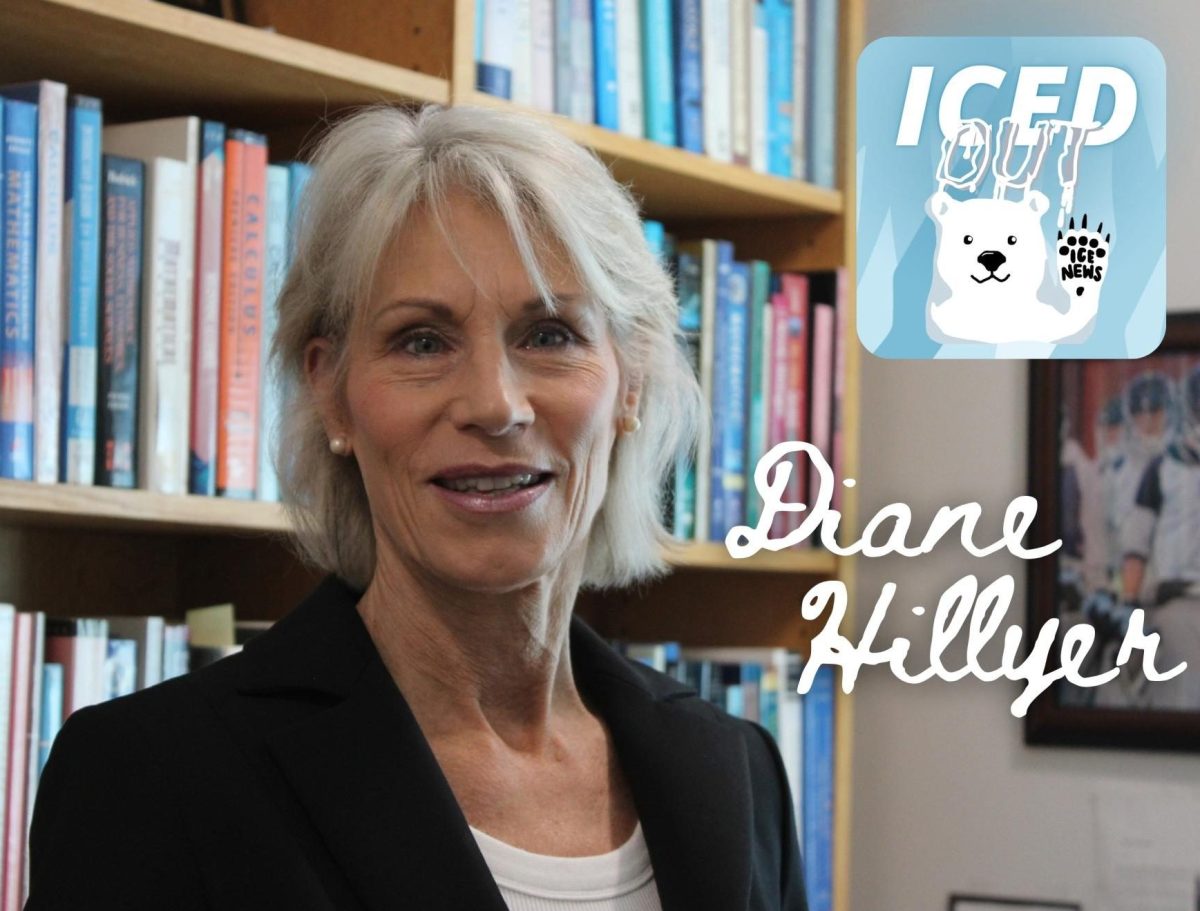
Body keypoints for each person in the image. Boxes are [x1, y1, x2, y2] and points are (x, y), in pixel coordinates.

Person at [26, 105, 808, 910]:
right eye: (422, 342)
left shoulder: (736, 767)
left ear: (630, 381)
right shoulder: (152, 774)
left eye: (548, 333)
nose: (495, 404)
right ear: (332, 394)